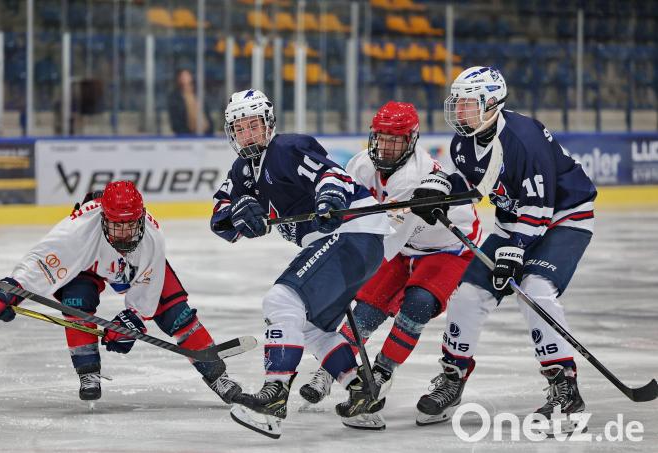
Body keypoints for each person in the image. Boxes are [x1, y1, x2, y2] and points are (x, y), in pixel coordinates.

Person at [410, 66, 596, 432]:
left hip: (563, 219)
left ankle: (566, 388)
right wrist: (437, 190)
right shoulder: (465, 141)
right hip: (513, 223)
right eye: (457, 103)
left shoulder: (525, 140)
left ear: (492, 103)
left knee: (535, 289)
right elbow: (467, 180)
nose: (460, 111)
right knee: (467, 294)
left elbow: (540, 208)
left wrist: (515, 252)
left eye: (468, 103)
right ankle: (452, 377)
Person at [211, 89, 393, 437]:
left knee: (281, 301)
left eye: (254, 125)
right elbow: (220, 217)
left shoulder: (286, 148)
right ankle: (361, 394)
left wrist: (328, 199)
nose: (248, 134)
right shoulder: (242, 170)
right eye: (240, 128)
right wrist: (236, 214)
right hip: (349, 244)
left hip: (351, 233)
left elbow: (333, 176)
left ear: (269, 124)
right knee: (311, 327)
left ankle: (274, 395)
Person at [297, 101, 481, 417]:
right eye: (381, 138)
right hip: (404, 242)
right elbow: (345, 209)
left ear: (411, 140)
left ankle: (382, 372)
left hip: (446, 248)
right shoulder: (360, 164)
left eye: (395, 140)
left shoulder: (414, 177)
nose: (385, 146)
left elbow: (386, 245)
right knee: (368, 309)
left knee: (418, 303)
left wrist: (339, 272)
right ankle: (331, 369)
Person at [0, 181, 242, 404]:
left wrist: (132, 320)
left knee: (177, 314)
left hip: (132, 268)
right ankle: (88, 373)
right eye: (118, 226)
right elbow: (42, 261)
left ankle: (219, 377)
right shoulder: (77, 228)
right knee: (76, 303)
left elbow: (148, 289)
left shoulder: (152, 235)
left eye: (131, 225)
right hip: (87, 264)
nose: (125, 234)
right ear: (103, 218)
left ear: (141, 217)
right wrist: (13, 288)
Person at [167, 69, 212, 136]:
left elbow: (206, 113)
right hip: (186, 134)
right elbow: (176, 119)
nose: (185, 78)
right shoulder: (175, 97)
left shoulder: (198, 94)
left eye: (187, 75)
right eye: (182, 76)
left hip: (204, 132)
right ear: (178, 79)